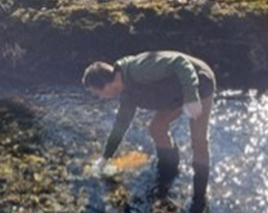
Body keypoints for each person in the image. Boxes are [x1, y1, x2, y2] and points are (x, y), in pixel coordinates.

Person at [82, 50, 216, 205]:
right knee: (156, 128)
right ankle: (169, 169)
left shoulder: (140, 69)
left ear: (105, 84)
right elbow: (120, 126)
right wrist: (105, 158)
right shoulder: (127, 95)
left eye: (96, 93)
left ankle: (199, 195)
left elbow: (181, 63)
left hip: (198, 83)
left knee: (198, 140)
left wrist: (191, 96)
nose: (99, 98)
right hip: (173, 94)